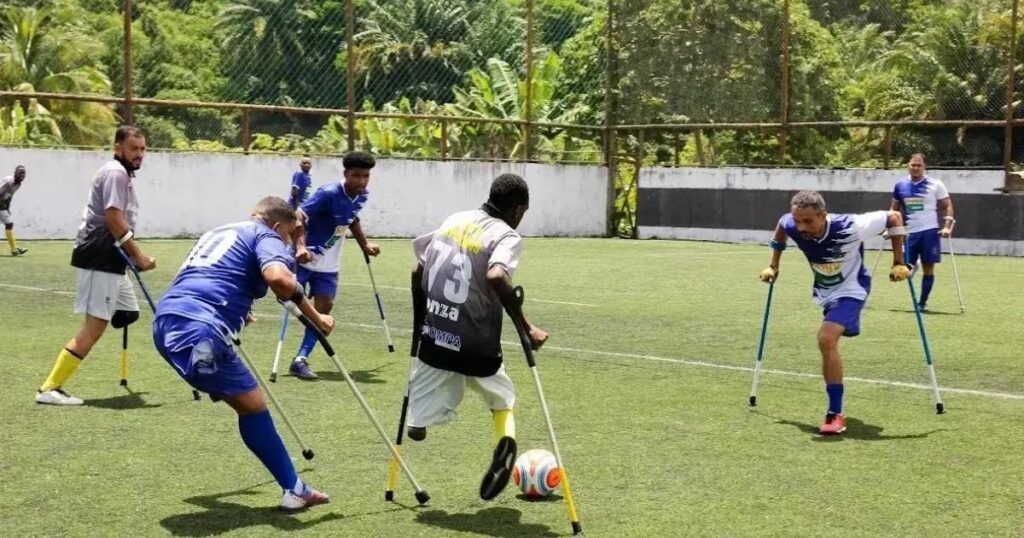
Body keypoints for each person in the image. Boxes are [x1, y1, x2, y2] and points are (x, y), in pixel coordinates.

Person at [153, 196, 333, 511]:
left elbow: (198, 277)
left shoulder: (219, 231)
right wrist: (317, 320)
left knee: (234, 390)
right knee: (253, 407)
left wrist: (238, 309)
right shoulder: (266, 235)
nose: (288, 243)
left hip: (167, 323)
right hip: (202, 331)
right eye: (289, 236)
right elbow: (279, 279)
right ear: (278, 226)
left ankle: (209, 377)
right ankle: (295, 490)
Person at [406, 173, 549, 500]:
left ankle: (420, 417)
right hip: (475, 342)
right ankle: (504, 443)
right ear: (516, 210)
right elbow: (497, 274)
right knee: (503, 398)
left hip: (435, 335)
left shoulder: (454, 220)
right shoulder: (506, 234)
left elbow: (418, 270)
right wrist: (527, 329)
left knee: (427, 383)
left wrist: (420, 320)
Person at [760, 190, 910, 435]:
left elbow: (894, 217)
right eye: (798, 220)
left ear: (823, 216)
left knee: (826, 338)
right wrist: (773, 265)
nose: (801, 226)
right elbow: (782, 224)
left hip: (853, 289)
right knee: (830, 337)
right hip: (825, 291)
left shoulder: (850, 227)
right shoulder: (793, 224)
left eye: (808, 221)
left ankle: (835, 414)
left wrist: (898, 261)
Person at [36, 126, 156, 406]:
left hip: (112, 258)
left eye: (142, 149)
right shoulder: (115, 172)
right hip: (99, 255)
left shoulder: (123, 174)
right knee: (95, 326)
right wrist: (138, 257)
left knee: (128, 310)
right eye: (133, 149)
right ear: (118, 148)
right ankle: (49, 388)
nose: (139, 154)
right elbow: (114, 221)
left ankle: (52, 385)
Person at [288, 151, 380, 380]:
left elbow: (352, 218)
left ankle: (300, 359)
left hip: (329, 265)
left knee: (324, 310)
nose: (361, 181)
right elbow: (298, 215)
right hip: (306, 259)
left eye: (366, 176)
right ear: (345, 174)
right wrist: (300, 247)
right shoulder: (328, 193)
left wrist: (364, 244)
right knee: (287, 299)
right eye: (356, 176)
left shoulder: (362, 195)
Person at [891, 153, 954, 311]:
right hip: (909, 233)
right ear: (908, 166)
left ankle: (922, 303)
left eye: (919, 165)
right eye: (913, 165)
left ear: (925, 167)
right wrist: (889, 227)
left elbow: (947, 205)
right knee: (901, 272)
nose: (915, 168)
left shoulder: (936, 184)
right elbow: (894, 209)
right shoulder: (900, 185)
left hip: (929, 232)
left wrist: (947, 225)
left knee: (929, 267)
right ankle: (913, 265)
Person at [0, 165, 28, 256]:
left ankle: (14, 248)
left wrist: (7, 208)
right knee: (9, 224)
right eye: (20, 173)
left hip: (2, 205)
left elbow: (9, 196)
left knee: (9, 224)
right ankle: (14, 248)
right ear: (15, 173)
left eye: (24, 173)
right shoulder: (9, 182)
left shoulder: (18, 184)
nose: (22, 175)